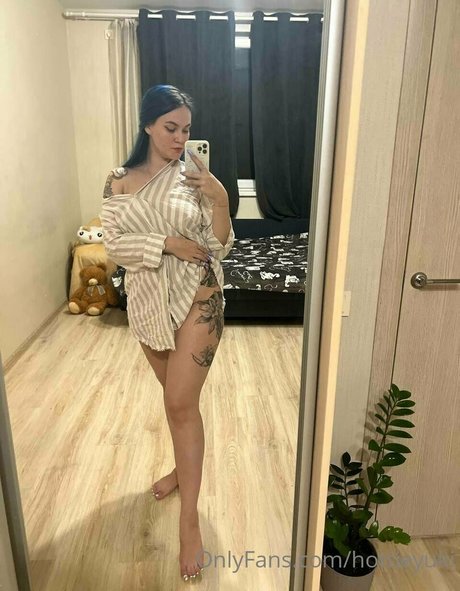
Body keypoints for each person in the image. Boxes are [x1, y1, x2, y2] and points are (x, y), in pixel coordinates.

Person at [99, 84, 235, 583]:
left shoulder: (195, 176)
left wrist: (221, 201)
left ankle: (189, 521)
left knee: (179, 403)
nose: (180, 139)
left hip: (200, 299)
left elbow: (218, 245)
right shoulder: (118, 181)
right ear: (148, 125)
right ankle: (182, 469)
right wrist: (167, 243)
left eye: (187, 130)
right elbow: (114, 244)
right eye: (171, 128)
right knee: (177, 404)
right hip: (149, 306)